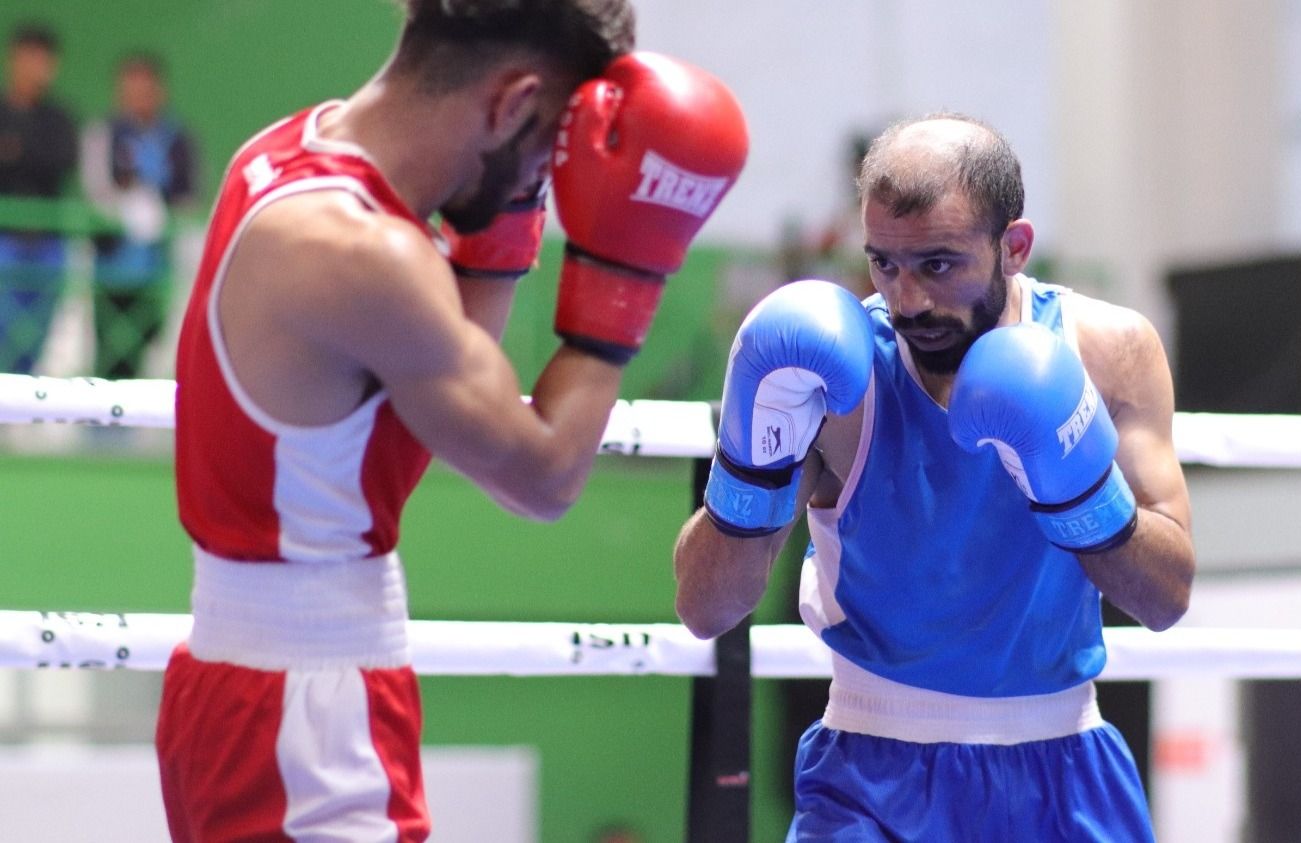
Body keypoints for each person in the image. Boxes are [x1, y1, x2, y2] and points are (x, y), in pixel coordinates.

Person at [158, 0, 748, 839]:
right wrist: (627, 264)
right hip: (305, 707)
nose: (547, 172)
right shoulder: (363, 256)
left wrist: (508, 215)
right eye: (550, 146)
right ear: (512, 103)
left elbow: (444, 381)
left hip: (255, 682)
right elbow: (543, 477)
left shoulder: (288, 152)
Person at [673, 114, 1194, 841]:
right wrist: (746, 475)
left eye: (939, 265)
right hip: (870, 778)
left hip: (1064, 768)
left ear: (1014, 247)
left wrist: (1079, 489)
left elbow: (1166, 595)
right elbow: (705, 607)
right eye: (884, 264)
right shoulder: (834, 374)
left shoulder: (1107, 352)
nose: (908, 298)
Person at [82, 51, 198, 378]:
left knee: (152, 340)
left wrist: (167, 215)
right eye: (130, 90)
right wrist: (125, 209)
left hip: (159, 261)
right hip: (113, 261)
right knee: (109, 344)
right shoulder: (105, 131)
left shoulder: (179, 136)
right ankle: (101, 423)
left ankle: (136, 422)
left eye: (145, 90)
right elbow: (96, 188)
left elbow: (190, 191)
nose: (138, 99)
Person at [0, 23, 77, 374]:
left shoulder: (59, 119)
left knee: (34, 334)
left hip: (47, 244)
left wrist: (17, 152)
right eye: (28, 57)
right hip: (5, 240)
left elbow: (59, 163)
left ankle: (16, 419)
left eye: (43, 59)